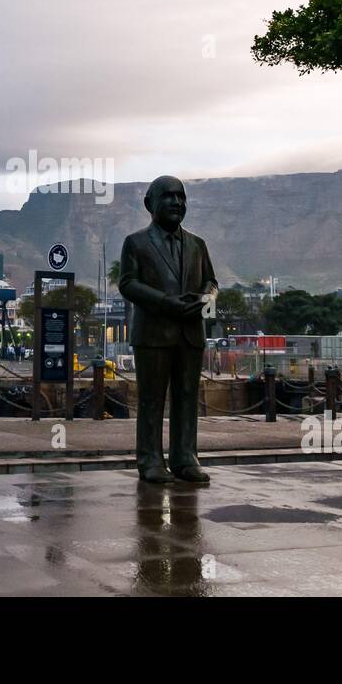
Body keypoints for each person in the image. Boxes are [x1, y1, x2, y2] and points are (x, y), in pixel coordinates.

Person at [119, 175, 218, 484]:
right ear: (150, 204)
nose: (176, 202)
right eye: (168, 197)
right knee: (151, 398)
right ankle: (149, 459)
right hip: (153, 333)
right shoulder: (135, 243)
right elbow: (128, 283)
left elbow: (211, 282)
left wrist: (205, 302)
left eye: (181, 197)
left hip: (191, 332)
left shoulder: (197, 244)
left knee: (187, 396)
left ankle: (185, 457)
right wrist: (166, 303)